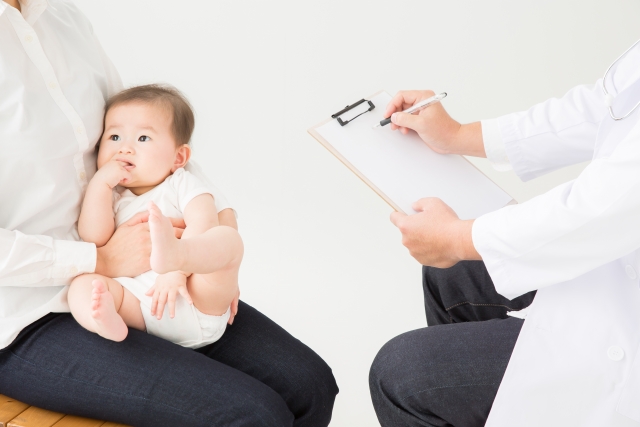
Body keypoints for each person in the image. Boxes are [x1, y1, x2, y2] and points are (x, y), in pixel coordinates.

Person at [0, 1, 337, 426]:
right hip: (22, 313)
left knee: (310, 384)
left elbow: (147, 135)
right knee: (253, 416)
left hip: (141, 275)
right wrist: (99, 260)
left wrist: (214, 249)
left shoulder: (61, 18)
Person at [369, 38, 640, 426]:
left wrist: (458, 238)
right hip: (617, 264)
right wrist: (458, 134)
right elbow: (606, 105)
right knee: (452, 274)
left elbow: (602, 208)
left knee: (404, 374)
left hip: (628, 318)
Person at [69, 84, 242, 348]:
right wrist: (100, 185)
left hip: (197, 296)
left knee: (226, 239)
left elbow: (204, 222)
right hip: (142, 304)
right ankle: (103, 321)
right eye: (114, 137)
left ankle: (176, 255)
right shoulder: (113, 196)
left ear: (178, 157)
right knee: (81, 286)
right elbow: (94, 237)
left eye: (142, 139)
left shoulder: (180, 184)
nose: (124, 149)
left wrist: (177, 272)